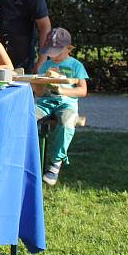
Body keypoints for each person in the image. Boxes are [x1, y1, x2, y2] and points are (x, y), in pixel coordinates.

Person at [31, 28, 89, 186]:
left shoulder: (76, 66)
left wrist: (63, 89)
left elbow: (83, 90)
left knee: (66, 121)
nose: (52, 55)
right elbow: (40, 93)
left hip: (66, 103)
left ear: (68, 48)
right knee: (29, 117)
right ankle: (30, 157)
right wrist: (38, 81)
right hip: (47, 102)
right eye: (50, 51)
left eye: (55, 51)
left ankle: (55, 162)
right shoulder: (46, 65)